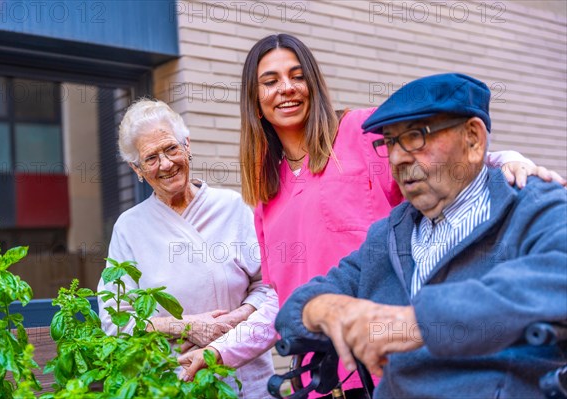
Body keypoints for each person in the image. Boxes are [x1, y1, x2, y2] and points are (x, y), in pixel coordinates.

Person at [239, 33, 565, 398]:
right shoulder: (390, 235)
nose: (396, 157)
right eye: (390, 142)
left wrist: (509, 160)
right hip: (332, 374)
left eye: (414, 136)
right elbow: (288, 299)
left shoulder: (528, 207)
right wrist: (327, 308)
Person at [97, 99, 278, 398]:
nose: (166, 164)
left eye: (171, 148)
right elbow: (116, 320)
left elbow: (269, 286)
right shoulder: (129, 228)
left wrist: (237, 318)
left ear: (187, 144)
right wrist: (184, 326)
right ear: (136, 169)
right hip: (175, 385)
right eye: (151, 158)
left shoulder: (230, 207)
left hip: (245, 379)